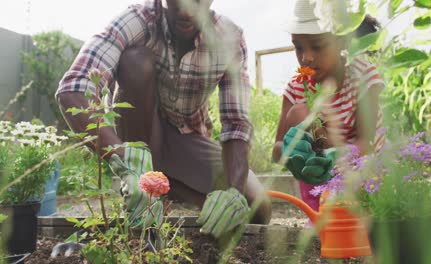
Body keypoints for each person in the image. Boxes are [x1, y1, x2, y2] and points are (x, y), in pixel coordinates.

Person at [56, 0, 271, 237]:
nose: (186, 10)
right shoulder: (138, 20)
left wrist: (233, 192)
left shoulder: (229, 39)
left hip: (188, 138)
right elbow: (73, 88)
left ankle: (165, 189)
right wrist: (121, 158)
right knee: (135, 61)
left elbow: (236, 124)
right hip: (139, 138)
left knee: (256, 206)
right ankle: (141, 183)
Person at [272, 0, 385, 215]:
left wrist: (334, 157)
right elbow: (276, 149)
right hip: (319, 182)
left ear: (342, 42)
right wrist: (290, 152)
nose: (306, 57)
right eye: (298, 47)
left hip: (365, 175)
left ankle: (350, 213)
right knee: (299, 112)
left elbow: (366, 143)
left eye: (318, 46)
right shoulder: (297, 86)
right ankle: (321, 214)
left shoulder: (362, 75)